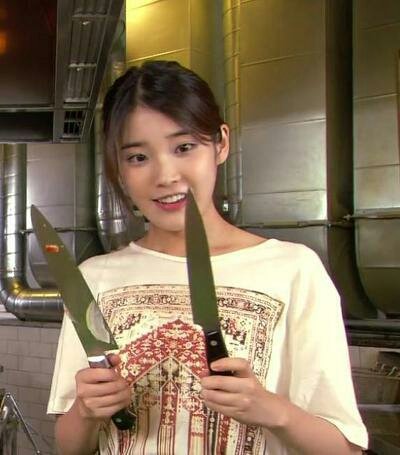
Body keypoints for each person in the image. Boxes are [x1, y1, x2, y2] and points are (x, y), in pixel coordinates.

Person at [47, 60, 368, 454]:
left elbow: (346, 450)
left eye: (184, 147)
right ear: (118, 167)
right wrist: (86, 412)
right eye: (137, 157)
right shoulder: (93, 278)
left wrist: (274, 411)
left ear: (221, 143)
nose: (166, 175)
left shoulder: (295, 271)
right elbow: (68, 448)